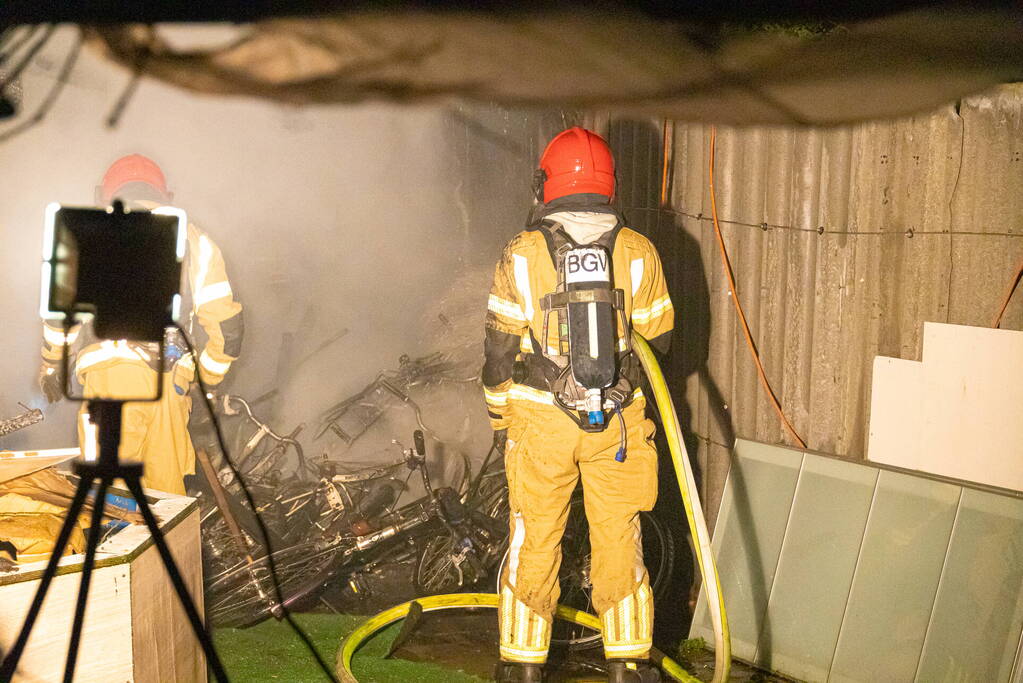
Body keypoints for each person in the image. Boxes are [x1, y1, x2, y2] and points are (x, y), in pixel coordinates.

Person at [484, 127, 674, 683]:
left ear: (545, 184)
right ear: (608, 183)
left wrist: (501, 413)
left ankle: (521, 670)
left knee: (534, 539)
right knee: (619, 538)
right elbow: (661, 343)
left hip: (541, 425)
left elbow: (497, 351)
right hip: (617, 427)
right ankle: (630, 668)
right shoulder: (640, 250)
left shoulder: (520, 253)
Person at [38, 154, 244, 495]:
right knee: (166, 500)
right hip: (170, 383)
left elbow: (60, 320)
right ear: (164, 193)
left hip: (107, 382)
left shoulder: (86, 236)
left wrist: (51, 366)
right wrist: (203, 380)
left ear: (105, 194)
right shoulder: (196, 241)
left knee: (110, 497)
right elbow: (227, 327)